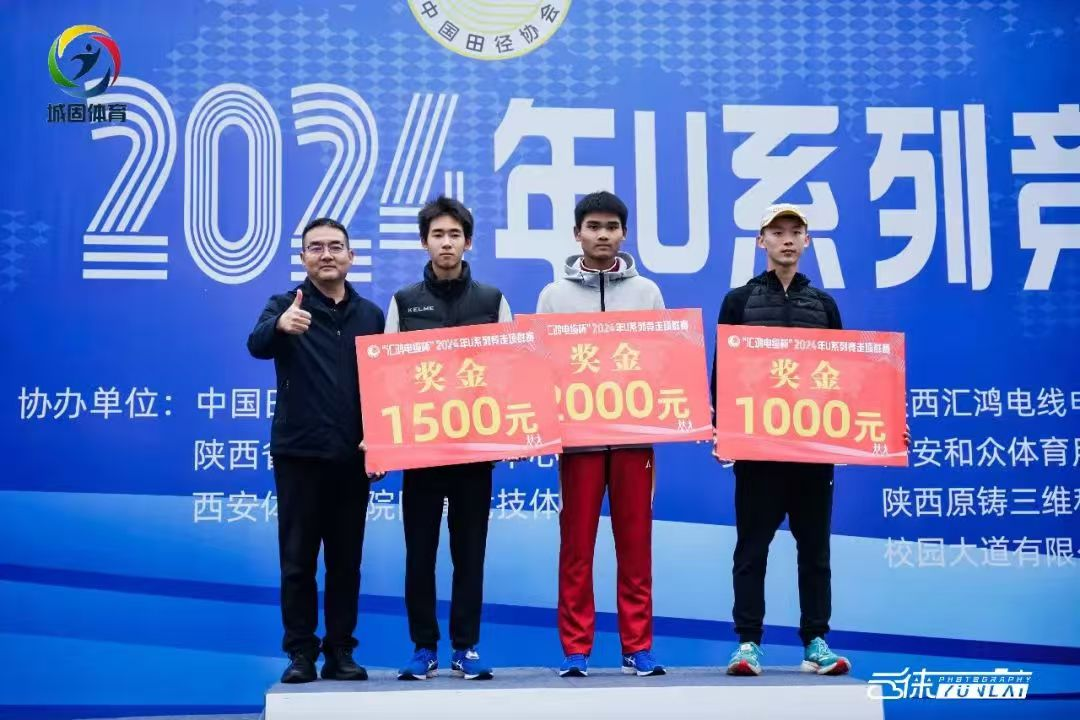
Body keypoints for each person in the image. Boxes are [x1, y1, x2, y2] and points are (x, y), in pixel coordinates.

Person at [711, 203, 854, 677]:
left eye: (795, 232)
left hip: (812, 451)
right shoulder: (738, 301)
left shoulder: (824, 305)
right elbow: (723, 373)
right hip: (758, 450)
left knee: (815, 551)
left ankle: (816, 641)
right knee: (752, 549)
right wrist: (724, 429)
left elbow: (845, 376)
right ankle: (748, 643)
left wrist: (873, 423)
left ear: (807, 241)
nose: (787, 240)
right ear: (761, 241)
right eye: (777, 232)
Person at [247, 217, 385, 683]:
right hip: (299, 454)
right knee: (298, 561)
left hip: (352, 457)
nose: (326, 254)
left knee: (346, 563)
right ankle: (301, 654)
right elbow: (255, 344)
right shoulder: (285, 305)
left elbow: (384, 386)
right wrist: (279, 326)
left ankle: (340, 651)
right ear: (303, 257)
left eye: (335, 246)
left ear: (351, 256)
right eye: (316, 247)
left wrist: (381, 443)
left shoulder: (371, 316)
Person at [536, 190, 666, 678]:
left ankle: (638, 646)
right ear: (577, 234)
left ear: (624, 234)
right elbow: (540, 366)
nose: (603, 234)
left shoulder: (647, 292)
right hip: (578, 442)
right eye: (593, 226)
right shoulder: (554, 296)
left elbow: (664, 361)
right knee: (576, 547)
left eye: (612, 226)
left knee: (636, 544)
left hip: (634, 439)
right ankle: (576, 648)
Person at [388, 196, 512, 681]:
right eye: (437, 235)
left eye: (454, 235)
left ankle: (466, 647)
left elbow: (510, 372)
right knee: (419, 554)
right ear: (424, 242)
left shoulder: (492, 300)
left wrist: (510, 431)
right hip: (421, 450)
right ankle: (424, 647)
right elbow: (387, 377)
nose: (446, 243)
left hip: (474, 449)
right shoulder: (404, 302)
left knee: (469, 552)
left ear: (468, 242)